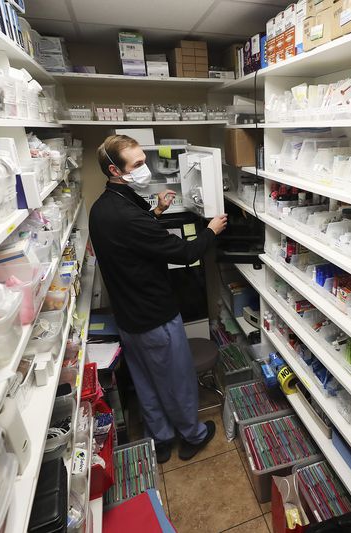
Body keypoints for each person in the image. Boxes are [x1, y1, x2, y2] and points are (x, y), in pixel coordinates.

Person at [89, 134, 228, 463]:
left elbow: (134, 237)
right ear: (114, 170)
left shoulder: (102, 208)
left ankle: (161, 440)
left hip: (127, 317)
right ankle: (191, 436)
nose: (145, 168)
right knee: (177, 378)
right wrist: (211, 230)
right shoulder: (129, 216)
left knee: (146, 382)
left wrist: (159, 211)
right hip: (155, 315)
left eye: (144, 161)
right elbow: (185, 252)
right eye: (137, 165)